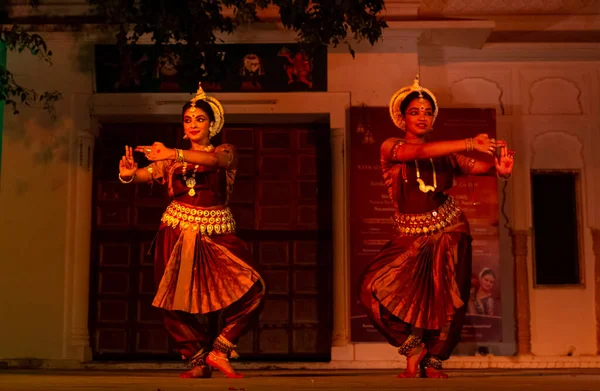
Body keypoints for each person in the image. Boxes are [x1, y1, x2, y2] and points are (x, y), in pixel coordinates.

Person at [357, 76, 514, 378]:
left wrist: (499, 169)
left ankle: (434, 360)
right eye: (415, 111)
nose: (422, 116)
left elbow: (477, 167)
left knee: (449, 296)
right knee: (371, 289)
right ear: (402, 117)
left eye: (428, 111)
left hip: (450, 229)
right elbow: (416, 154)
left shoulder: (446, 154)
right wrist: (471, 142)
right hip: (411, 234)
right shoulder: (392, 147)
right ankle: (412, 346)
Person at [118, 83, 265, 379]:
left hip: (216, 232)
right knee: (171, 299)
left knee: (254, 289)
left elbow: (214, 162)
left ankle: (220, 349)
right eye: (188, 119)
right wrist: (128, 174)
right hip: (175, 230)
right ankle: (197, 358)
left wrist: (173, 152)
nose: (193, 124)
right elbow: (145, 175)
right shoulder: (171, 159)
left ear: (212, 124)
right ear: (183, 126)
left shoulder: (225, 151)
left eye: (200, 119)